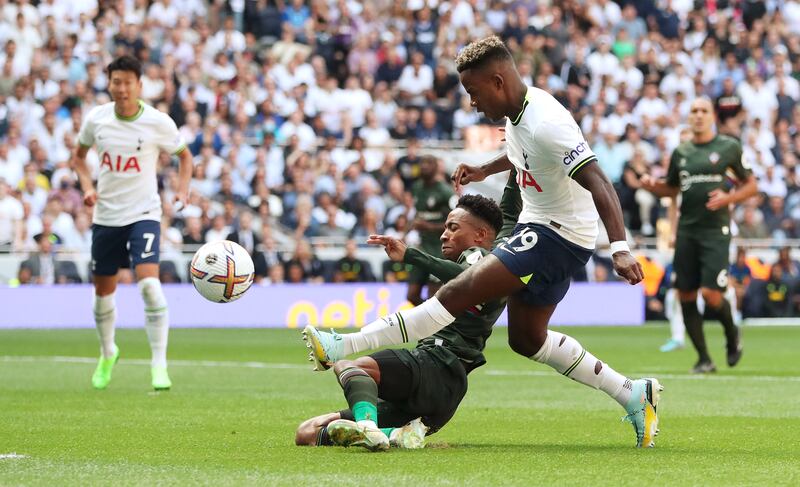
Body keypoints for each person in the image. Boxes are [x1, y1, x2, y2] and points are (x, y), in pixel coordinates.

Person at [304, 36, 661, 448]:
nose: (472, 103)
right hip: (543, 225)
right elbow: (522, 154)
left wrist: (619, 248)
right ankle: (633, 393)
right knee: (526, 339)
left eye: (473, 92)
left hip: (557, 234)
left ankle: (343, 344)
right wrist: (482, 170)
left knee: (460, 290)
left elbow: (598, 180)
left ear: (497, 80)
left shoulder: (548, 121)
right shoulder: (518, 117)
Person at [297, 194, 508, 451]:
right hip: (439, 394)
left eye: (453, 228)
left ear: (480, 235)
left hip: (439, 365)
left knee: (349, 365)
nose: (443, 235)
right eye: (444, 228)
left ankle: (367, 428)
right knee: (307, 433)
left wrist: (411, 255)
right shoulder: (490, 267)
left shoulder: (479, 257)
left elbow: (472, 276)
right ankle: (396, 434)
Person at [72, 55, 194, 390]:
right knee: (102, 292)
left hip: (144, 214)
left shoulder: (158, 122)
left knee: (150, 287)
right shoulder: (96, 119)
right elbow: (78, 158)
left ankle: (159, 365)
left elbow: (185, 156)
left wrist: (183, 189)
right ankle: (108, 351)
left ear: (139, 85)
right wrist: (86, 187)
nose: (122, 88)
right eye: (116, 81)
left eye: (128, 82)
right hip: (106, 216)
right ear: (109, 84)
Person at [640, 98, 757, 373]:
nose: (699, 115)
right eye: (694, 111)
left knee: (712, 295)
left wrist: (729, 197)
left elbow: (751, 186)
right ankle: (704, 358)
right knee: (685, 295)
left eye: (704, 111)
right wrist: (651, 185)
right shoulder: (681, 152)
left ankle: (732, 334)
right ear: (688, 118)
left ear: (712, 117)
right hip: (687, 231)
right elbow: (672, 189)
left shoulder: (729, 147)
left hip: (715, 231)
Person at [406, 154, 456, 304]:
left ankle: (435, 325)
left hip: (439, 250)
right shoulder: (416, 188)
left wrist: (430, 227)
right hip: (421, 248)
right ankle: (428, 321)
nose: (424, 166)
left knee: (433, 297)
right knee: (411, 295)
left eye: (428, 163)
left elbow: (456, 222)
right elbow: (416, 214)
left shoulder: (446, 192)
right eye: (422, 162)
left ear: (436, 168)